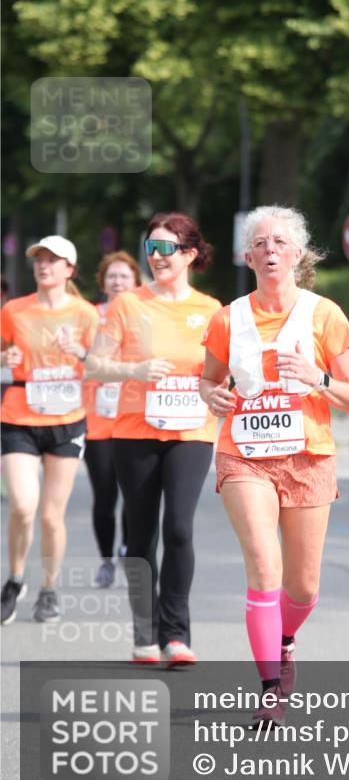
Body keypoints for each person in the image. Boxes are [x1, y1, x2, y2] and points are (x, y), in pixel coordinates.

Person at [200, 205, 349, 726]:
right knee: (264, 568)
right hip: (244, 454)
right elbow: (208, 380)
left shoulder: (325, 314)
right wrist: (214, 397)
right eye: (261, 243)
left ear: (298, 254)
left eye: (280, 242)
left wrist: (316, 378)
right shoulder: (228, 317)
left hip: (308, 455)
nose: (270, 250)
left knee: (304, 586)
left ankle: (285, 639)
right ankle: (271, 689)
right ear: (247, 257)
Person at [86, 213, 221, 667]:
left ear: (188, 254)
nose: (155, 257)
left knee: (179, 527)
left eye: (165, 248)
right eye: (150, 247)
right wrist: (135, 371)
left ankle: (176, 635)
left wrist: (226, 390)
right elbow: (94, 365)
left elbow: (224, 372)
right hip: (135, 432)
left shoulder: (210, 310)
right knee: (140, 533)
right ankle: (144, 634)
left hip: (191, 431)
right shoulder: (127, 304)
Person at [1, 236, 98, 625]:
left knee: (51, 516)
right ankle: (15, 578)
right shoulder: (14, 310)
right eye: (39, 259)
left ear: (69, 270)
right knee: (24, 505)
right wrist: (3, 358)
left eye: (53, 260)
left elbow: (104, 366)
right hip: (20, 416)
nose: (44, 266)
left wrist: (81, 353)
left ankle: (49, 589)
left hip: (67, 419)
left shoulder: (87, 314)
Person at [83, 251, 142, 589]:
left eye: (124, 276)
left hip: (133, 417)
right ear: (103, 283)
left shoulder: (144, 316)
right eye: (112, 276)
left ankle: (125, 547)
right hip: (98, 421)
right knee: (105, 496)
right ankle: (106, 558)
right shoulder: (89, 317)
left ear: (135, 282)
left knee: (134, 494)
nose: (118, 282)